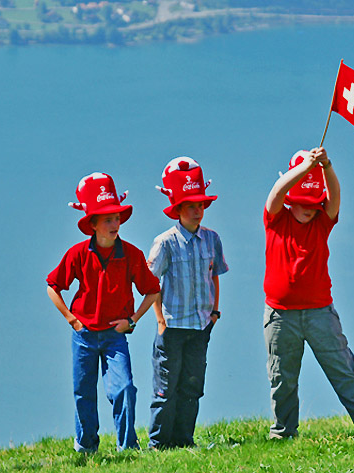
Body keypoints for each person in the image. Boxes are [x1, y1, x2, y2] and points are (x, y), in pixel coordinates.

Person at [262, 147, 354, 439]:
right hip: (280, 315)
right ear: (291, 201)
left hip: (320, 311)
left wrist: (326, 167)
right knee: (282, 378)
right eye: (302, 201)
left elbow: (334, 197)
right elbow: (275, 193)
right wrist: (303, 170)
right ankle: (283, 433)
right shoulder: (276, 219)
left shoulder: (323, 221)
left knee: (344, 370)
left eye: (314, 201)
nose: (309, 207)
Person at [46, 172, 161, 452]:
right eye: (108, 219)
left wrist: (132, 320)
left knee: (124, 389)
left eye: (117, 218)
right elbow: (52, 285)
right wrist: (71, 319)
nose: (115, 224)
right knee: (83, 394)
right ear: (93, 225)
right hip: (84, 334)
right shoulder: (78, 254)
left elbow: (153, 290)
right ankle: (86, 448)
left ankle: (128, 447)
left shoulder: (131, 254)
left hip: (114, 336)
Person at [147, 157, 229, 449]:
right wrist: (159, 320)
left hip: (200, 325)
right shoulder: (166, 242)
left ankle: (184, 440)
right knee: (166, 387)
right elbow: (151, 284)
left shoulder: (212, 240)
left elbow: (215, 275)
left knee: (192, 385)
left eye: (201, 206)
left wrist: (214, 312)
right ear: (178, 209)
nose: (198, 211)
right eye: (191, 206)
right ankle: (159, 443)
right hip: (172, 326)